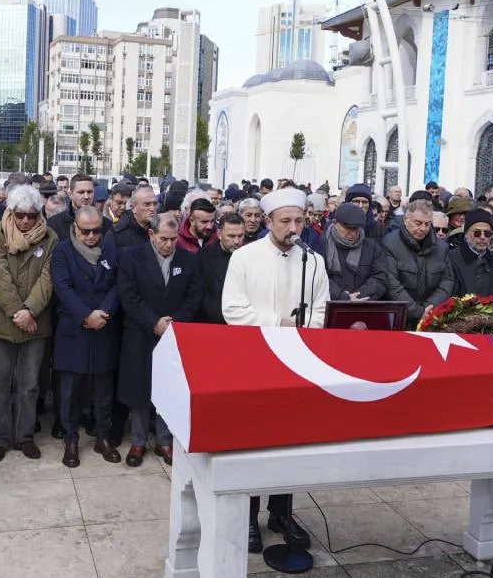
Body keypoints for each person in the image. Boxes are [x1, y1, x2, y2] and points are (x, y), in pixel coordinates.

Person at [221, 188, 326, 553]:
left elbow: (321, 310)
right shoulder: (245, 256)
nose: (293, 227)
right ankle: (249, 515)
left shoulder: (312, 260)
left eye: (299, 220)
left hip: (298, 361)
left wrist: (303, 332)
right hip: (254, 359)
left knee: (291, 440)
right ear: (268, 222)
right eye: (285, 221)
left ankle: (281, 512)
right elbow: (232, 310)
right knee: (254, 440)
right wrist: (279, 324)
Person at [116, 212, 200, 467]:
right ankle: (139, 441)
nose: (169, 244)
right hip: (141, 332)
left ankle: (165, 440)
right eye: (164, 238)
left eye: (173, 239)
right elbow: (128, 296)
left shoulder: (188, 259)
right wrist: (153, 323)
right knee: (141, 388)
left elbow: (194, 295)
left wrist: (174, 324)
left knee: (168, 387)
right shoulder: (131, 257)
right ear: (151, 234)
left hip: (174, 335)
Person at [0, 185, 57, 461]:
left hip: (36, 323)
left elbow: (47, 279)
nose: (26, 221)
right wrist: (17, 311)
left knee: (30, 383)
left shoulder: (50, 237)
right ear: (10, 212)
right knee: (1, 381)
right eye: (20, 215)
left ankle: (24, 436)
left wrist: (30, 311)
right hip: (3, 322)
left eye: (32, 215)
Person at [51, 205, 122, 467]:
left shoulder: (111, 250)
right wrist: (85, 315)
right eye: (86, 232)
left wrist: (104, 312)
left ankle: (103, 436)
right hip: (74, 328)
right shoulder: (62, 251)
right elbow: (62, 287)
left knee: (103, 388)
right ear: (75, 229)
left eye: (97, 231)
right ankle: (70, 439)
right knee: (70, 390)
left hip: (103, 327)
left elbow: (117, 284)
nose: (92, 236)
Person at [323, 202, 388, 300]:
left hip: (363, 306)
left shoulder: (372, 247)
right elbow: (318, 277)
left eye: (357, 229)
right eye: (348, 228)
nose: (353, 234)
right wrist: (342, 297)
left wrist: (358, 296)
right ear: (335, 223)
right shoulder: (321, 244)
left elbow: (380, 278)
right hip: (328, 307)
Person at [446, 208, 493, 298]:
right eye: (477, 233)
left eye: (487, 233)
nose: (482, 237)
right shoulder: (450, 258)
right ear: (466, 234)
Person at [48, 174, 98, 240]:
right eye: (81, 192)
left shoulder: (105, 224)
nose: (86, 196)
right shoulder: (54, 224)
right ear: (70, 194)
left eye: (89, 192)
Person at [112, 185, 159, 254]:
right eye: (147, 204)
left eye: (155, 204)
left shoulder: (161, 230)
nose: (152, 209)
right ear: (133, 208)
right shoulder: (117, 233)